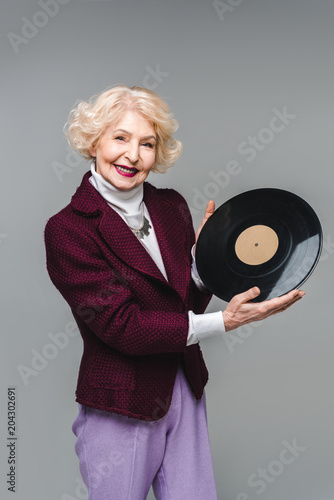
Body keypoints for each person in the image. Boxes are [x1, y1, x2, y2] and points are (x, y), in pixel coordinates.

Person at [44, 85, 304, 500]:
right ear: (94, 140)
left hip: (185, 387)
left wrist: (202, 273)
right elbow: (123, 327)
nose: (133, 155)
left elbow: (178, 303)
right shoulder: (68, 229)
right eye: (120, 138)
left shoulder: (171, 207)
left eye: (148, 143)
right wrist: (225, 321)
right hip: (121, 403)